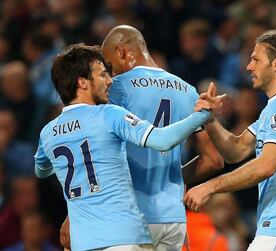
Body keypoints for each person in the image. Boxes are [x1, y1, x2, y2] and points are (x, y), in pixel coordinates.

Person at [34, 44, 213, 251]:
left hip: (81, 242)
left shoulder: (48, 132)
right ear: (83, 82)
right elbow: (162, 140)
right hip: (123, 237)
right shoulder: (109, 115)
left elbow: (41, 170)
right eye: (102, 75)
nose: (110, 80)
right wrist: (201, 115)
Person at [184, 30, 276, 250]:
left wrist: (209, 187)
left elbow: (266, 166)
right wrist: (210, 119)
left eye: (256, 59)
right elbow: (236, 150)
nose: (249, 66)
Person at [99, 25, 224, 250]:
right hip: (173, 220)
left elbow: (101, 154)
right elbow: (213, 160)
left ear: (121, 52)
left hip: (130, 215)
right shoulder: (188, 91)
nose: (110, 74)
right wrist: (172, 176)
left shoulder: (116, 89)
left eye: (108, 65)